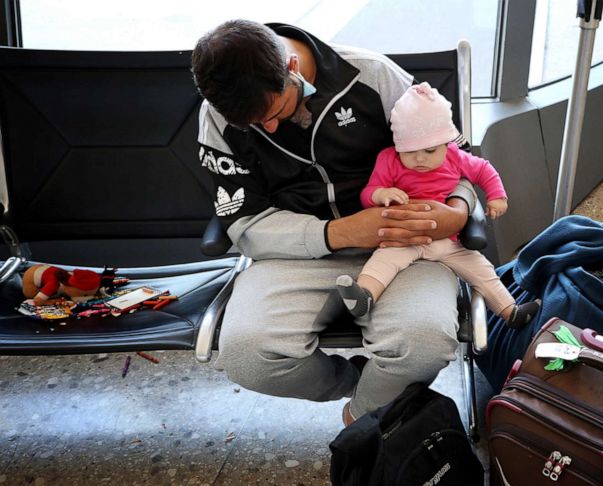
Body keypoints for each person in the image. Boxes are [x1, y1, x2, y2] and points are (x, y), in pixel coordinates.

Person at [191, 19, 478, 425]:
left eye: (274, 113)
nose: (268, 129)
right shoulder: (218, 115)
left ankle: (359, 417)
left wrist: (460, 208)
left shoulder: (374, 76)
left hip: (404, 246)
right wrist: (337, 233)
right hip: (292, 256)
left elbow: (461, 163)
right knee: (247, 358)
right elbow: (244, 222)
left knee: (424, 342)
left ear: (291, 66)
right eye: (253, 126)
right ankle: (369, 387)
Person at [335, 82, 541, 329]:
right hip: (404, 239)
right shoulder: (389, 159)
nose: (420, 158)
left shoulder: (455, 156)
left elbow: (484, 169)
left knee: (480, 268)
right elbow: (367, 194)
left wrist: (497, 196)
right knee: (381, 263)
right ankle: (364, 298)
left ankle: (510, 311)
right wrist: (381, 194)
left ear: (445, 143)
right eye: (410, 152)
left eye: (430, 151)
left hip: (447, 240)